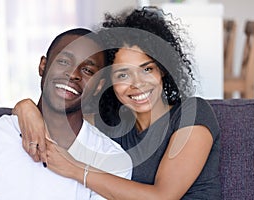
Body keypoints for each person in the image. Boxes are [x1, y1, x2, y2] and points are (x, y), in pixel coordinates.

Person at [14, 7, 221, 199]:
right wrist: (24, 107)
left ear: (162, 70)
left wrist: (75, 169)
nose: (138, 84)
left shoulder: (192, 113)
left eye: (147, 69)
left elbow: (163, 196)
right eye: (123, 75)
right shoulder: (112, 125)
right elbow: (59, 117)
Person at [0, 28, 132, 200]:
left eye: (87, 70)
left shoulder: (112, 160)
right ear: (43, 66)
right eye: (63, 61)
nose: (73, 74)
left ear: (98, 86)